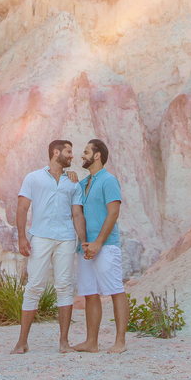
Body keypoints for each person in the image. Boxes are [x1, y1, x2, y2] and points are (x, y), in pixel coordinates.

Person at [11, 139, 80, 354]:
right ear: (56, 152)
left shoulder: (73, 182)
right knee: (34, 286)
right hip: (40, 237)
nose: (72, 156)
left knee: (65, 287)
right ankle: (22, 342)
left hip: (66, 238)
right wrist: (22, 238)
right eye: (68, 152)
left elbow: (77, 213)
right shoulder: (33, 178)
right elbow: (22, 209)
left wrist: (82, 240)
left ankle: (64, 343)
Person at [71, 138, 128, 354]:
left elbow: (113, 213)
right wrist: (86, 244)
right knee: (90, 294)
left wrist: (98, 243)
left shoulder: (109, 180)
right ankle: (91, 342)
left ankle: (120, 342)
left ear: (97, 156)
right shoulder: (84, 183)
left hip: (105, 246)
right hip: (85, 248)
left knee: (115, 290)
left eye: (86, 152)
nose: (81, 156)